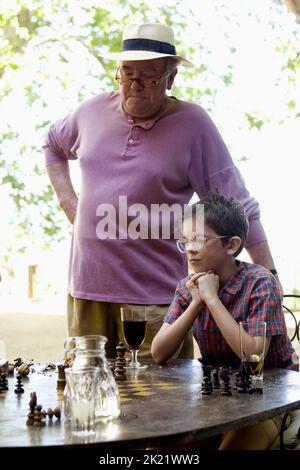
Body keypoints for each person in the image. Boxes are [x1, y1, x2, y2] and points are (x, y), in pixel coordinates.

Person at [42, 22, 281, 358]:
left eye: (149, 75)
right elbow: (52, 144)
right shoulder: (90, 112)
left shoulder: (193, 124)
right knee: (89, 393)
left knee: (163, 404)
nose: (135, 84)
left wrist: (269, 275)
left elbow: (239, 204)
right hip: (88, 290)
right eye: (127, 73)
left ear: (171, 78)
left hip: (157, 299)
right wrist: (71, 205)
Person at [151, 193, 297, 450]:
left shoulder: (260, 282)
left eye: (199, 239)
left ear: (231, 245)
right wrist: (197, 303)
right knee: (163, 447)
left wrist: (212, 299)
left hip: (269, 395)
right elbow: (159, 352)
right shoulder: (188, 288)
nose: (190, 249)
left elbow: (253, 356)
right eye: (185, 241)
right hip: (218, 393)